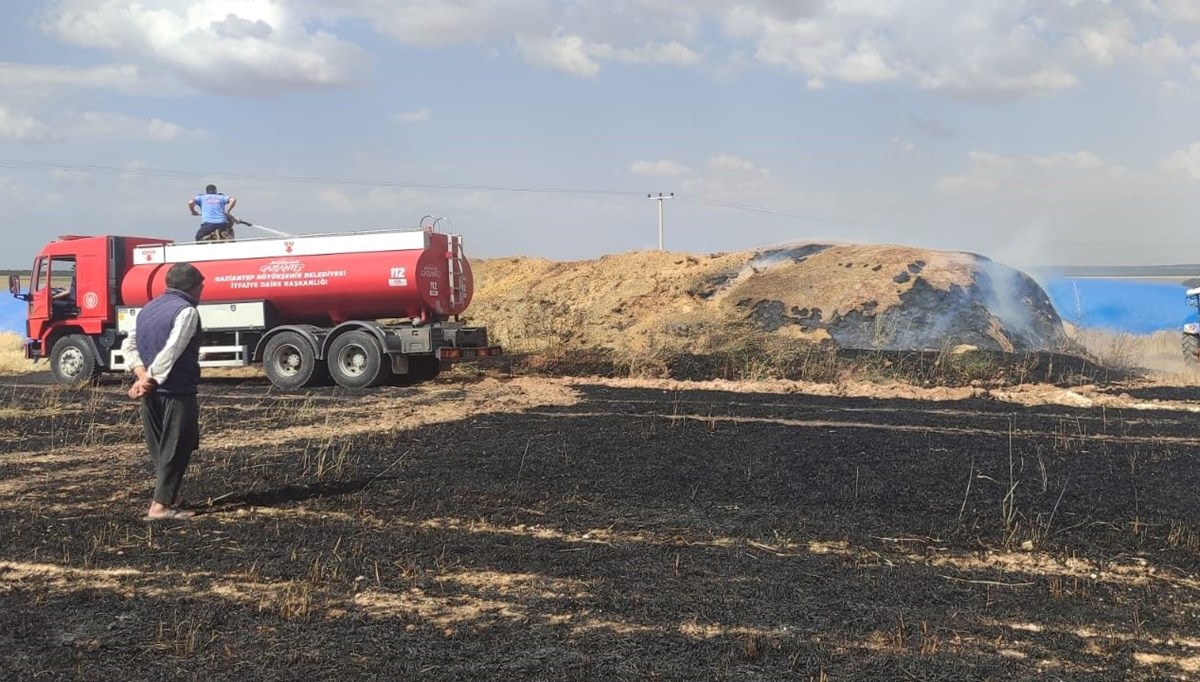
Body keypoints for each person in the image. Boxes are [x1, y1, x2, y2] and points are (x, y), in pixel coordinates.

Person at [121, 262, 205, 520]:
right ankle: (160, 507)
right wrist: (151, 379)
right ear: (193, 287)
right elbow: (173, 349)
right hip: (175, 390)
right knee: (176, 446)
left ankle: (173, 496)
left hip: (151, 392)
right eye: (201, 286)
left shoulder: (147, 309)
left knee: (161, 447)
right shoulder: (187, 311)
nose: (202, 291)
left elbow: (129, 344)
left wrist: (141, 375)